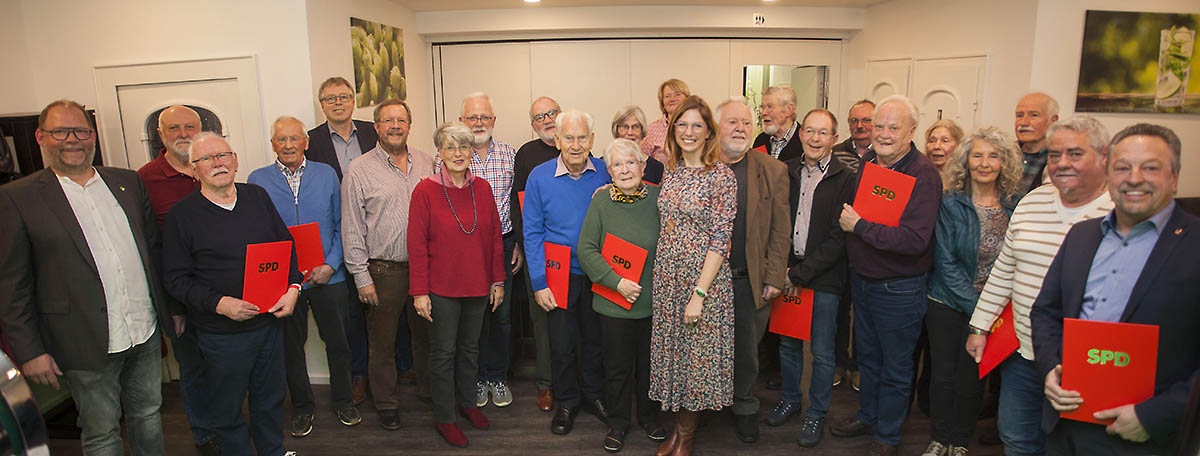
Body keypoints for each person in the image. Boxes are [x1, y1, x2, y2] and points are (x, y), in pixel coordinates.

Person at [0, 99, 176, 456]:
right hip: (82, 340)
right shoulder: (17, 198)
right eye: (60, 132)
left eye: (80, 131)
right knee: (101, 431)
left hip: (142, 328)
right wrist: (30, 351)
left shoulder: (126, 182)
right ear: (40, 137)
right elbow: (10, 284)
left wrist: (171, 309)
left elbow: (153, 253)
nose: (72, 139)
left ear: (92, 135)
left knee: (147, 415)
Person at [1031, 124, 1199, 455]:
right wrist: (1050, 368)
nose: (1134, 178)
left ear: (1174, 178)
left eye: (1150, 167)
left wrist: (1154, 415)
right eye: (1122, 167)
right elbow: (1045, 311)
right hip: (1066, 423)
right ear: (1109, 173)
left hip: (1146, 435)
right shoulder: (1082, 236)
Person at [964, 115, 1113, 456]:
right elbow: (1005, 269)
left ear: (1103, 156)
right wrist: (980, 325)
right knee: (1016, 437)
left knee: (1070, 446)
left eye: (1075, 154)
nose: (1062, 163)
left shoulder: (1118, 212)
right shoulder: (1032, 203)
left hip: (1086, 361)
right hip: (1024, 353)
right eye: (1055, 154)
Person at [162, 132, 302, 456]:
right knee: (226, 409)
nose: (218, 163)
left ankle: (272, 451)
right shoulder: (182, 215)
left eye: (223, 155)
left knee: (270, 400)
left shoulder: (257, 197)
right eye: (207, 159)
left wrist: (294, 288)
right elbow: (175, 279)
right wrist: (220, 304)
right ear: (193, 170)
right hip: (221, 335)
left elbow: (287, 249)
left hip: (268, 324)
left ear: (235, 161)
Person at [832, 94, 942, 456]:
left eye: (893, 127)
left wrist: (860, 226)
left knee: (896, 367)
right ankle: (869, 416)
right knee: (870, 359)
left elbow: (914, 240)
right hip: (863, 281)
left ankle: (888, 436)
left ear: (911, 130)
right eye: (879, 126)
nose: (883, 133)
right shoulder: (869, 164)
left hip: (899, 288)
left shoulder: (923, 175)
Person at [247, 116, 360, 437]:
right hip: (285, 283)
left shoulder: (327, 175)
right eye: (281, 140)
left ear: (305, 142)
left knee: (338, 342)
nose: (288, 145)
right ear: (273, 145)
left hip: (329, 276)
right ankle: (302, 408)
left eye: (294, 139)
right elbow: (258, 233)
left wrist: (332, 264)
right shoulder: (258, 179)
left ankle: (343, 402)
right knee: (291, 347)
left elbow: (343, 224)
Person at [924, 126, 1023, 456]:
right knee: (943, 376)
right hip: (947, 303)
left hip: (994, 310)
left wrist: (988, 310)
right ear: (965, 161)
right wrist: (978, 306)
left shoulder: (1015, 205)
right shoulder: (950, 202)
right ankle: (940, 438)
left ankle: (960, 441)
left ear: (1003, 162)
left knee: (973, 379)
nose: (985, 163)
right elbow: (945, 260)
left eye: (993, 156)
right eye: (977, 155)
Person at [650, 95, 737, 456]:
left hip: (703, 283)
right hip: (667, 278)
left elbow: (721, 239)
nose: (688, 132)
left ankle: (686, 437)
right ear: (673, 130)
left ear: (708, 132)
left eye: (696, 125)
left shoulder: (721, 176)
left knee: (695, 361)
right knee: (676, 356)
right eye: (682, 124)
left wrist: (699, 294)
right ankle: (675, 432)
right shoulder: (670, 169)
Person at [765, 108, 857, 448]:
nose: (815, 139)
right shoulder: (785, 171)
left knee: (822, 351)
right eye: (810, 132)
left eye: (823, 133)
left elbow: (839, 237)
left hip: (824, 278)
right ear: (801, 134)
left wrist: (800, 273)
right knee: (788, 345)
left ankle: (816, 413)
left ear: (834, 139)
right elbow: (775, 221)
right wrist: (784, 269)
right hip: (788, 271)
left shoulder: (846, 177)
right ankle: (790, 399)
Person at [408, 122, 504, 448]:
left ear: (471, 152)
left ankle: (467, 404)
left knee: (469, 351)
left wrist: (498, 280)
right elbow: (416, 245)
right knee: (443, 354)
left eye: (463, 147)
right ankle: (445, 417)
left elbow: (493, 239)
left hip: (478, 286)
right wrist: (419, 292)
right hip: (442, 290)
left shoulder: (483, 189)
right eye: (450, 147)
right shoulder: (425, 191)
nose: (458, 153)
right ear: (440, 153)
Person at [342, 98, 436, 430]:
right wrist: (360, 276)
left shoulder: (428, 163)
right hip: (384, 270)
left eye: (401, 120)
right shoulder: (360, 170)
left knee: (426, 336)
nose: (395, 126)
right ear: (377, 127)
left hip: (425, 268)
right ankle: (386, 403)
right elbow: (352, 226)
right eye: (388, 121)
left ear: (409, 125)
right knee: (382, 341)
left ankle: (428, 390)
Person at [523, 109, 613, 435]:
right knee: (561, 345)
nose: (576, 145)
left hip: (599, 272)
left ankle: (593, 395)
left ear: (592, 140)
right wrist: (539, 282)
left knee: (595, 340)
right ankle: (567, 401)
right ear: (556, 139)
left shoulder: (606, 172)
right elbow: (531, 233)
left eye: (582, 138)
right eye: (569, 138)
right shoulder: (538, 176)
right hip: (558, 273)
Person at [136, 104, 217, 454]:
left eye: (190, 126)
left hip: (224, 293)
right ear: (160, 134)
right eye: (174, 128)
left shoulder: (214, 167)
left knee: (227, 368)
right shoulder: (143, 180)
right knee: (195, 371)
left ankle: (228, 426)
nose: (183, 134)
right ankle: (205, 436)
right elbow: (149, 248)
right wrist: (170, 306)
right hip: (181, 298)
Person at [578, 138, 666, 453]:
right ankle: (618, 423)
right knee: (615, 368)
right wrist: (616, 282)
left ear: (643, 166)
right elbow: (586, 248)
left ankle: (648, 416)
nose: (625, 169)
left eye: (631, 162)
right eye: (617, 164)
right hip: (613, 303)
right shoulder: (600, 201)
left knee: (649, 366)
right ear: (609, 170)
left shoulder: (659, 198)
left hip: (653, 303)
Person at [711, 97, 790, 443]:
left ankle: (744, 406)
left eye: (746, 122)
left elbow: (780, 229)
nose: (740, 128)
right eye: (732, 122)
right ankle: (706, 404)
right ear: (716, 128)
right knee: (707, 348)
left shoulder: (772, 169)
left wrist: (774, 276)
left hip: (748, 279)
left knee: (746, 351)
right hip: (706, 282)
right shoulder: (699, 166)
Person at [441, 92, 520, 410]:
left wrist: (518, 245)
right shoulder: (449, 155)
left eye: (484, 117)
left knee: (501, 317)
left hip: (501, 244)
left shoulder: (509, 154)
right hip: (463, 252)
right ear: (461, 121)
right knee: (471, 320)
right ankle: (474, 380)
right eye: (472, 117)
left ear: (493, 121)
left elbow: (516, 202)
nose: (478, 123)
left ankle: (497, 376)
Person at [305, 76, 381, 405]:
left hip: (377, 230)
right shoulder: (310, 141)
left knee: (384, 306)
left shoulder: (372, 131)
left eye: (344, 97)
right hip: (338, 234)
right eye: (331, 98)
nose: (338, 103)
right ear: (322, 105)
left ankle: (397, 367)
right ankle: (359, 373)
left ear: (353, 101)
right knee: (351, 312)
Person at [511, 96, 562, 413]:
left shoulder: (575, 144)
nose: (547, 119)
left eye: (551, 113)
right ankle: (546, 385)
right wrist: (523, 244)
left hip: (573, 253)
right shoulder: (526, 155)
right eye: (539, 116)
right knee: (541, 321)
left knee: (573, 321)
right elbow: (519, 205)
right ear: (532, 124)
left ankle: (576, 381)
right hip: (539, 250)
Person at [829, 99, 873, 391]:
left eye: (866, 120)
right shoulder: (837, 152)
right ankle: (838, 362)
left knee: (864, 311)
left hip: (869, 242)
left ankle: (858, 365)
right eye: (854, 120)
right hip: (838, 241)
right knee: (839, 307)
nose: (859, 126)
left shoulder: (883, 155)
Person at [1014, 92, 1060, 193]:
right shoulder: (1003, 154)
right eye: (1019, 115)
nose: (1023, 122)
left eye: (1034, 115)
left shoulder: (1060, 160)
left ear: (1053, 121)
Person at [609, 104, 665, 184]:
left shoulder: (656, 168)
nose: (630, 132)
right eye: (625, 127)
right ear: (617, 130)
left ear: (642, 131)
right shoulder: (604, 164)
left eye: (635, 127)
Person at [643, 78, 691, 164]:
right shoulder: (650, 130)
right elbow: (641, 162)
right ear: (662, 103)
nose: (672, 99)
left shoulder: (697, 127)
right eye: (667, 96)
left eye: (677, 94)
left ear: (687, 99)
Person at [752, 85, 803, 162]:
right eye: (762, 107)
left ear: (789, 110)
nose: (764, 113)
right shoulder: (760, 141)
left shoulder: (805, 141)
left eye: (770, 107)